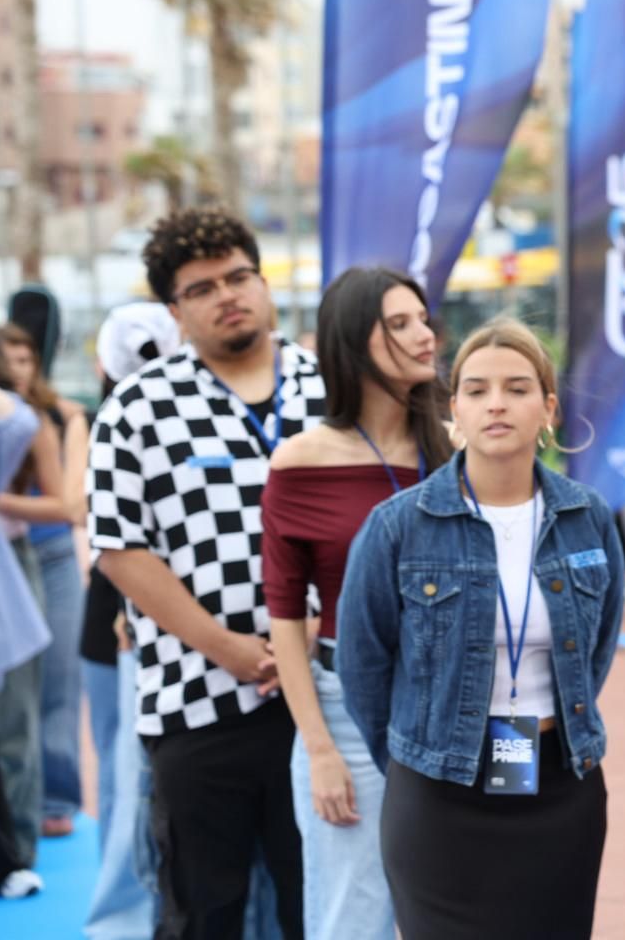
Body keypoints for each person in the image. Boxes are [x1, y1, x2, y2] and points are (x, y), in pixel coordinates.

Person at [337, 318, 624, 939]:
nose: (497, 403)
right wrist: (413, 757)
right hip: (438, 795)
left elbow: (598, 647)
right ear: (454, 410)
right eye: (477, 389)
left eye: (518, 388)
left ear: (547, 408)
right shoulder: (398, 527)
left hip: (561, 787)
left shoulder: (587, 518)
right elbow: (362, 663)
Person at [88, 207, 327, 937]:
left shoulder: (333, 390)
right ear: (173, 310)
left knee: (318, 906)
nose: (228, 294)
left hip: (327, 697)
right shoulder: (136, 409)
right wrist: (226, 646)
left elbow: (382, 527)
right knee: (202, 909)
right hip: (197, 703)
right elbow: (121, 547)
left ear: (263, 281)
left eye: (239, 276)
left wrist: (312, 634)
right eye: (202, 288)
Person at [261, 267, 452, 940]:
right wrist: (318, 748)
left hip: (460, 702)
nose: (424, 335)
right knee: (354, 919)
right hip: (349, 709)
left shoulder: (460, 450)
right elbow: (284, 619)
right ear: (350, 343)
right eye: (398, 324)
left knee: (467, 908)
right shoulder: (299, 461)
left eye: (423, 319)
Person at [82, 303, 180, 939]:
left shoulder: (113, 423)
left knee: (132, 779)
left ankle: (125, 917)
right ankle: (122, 918)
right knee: (129, 778)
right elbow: (122, 543)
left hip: (134, 623)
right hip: (123, 623)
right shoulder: (122, 427)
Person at [0, 322, 86, 839]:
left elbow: (69, 505)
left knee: (58, 679)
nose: (18, 371)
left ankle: (56, 798)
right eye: (8, 361)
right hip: (1, 553)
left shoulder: (56, 417)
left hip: (50, 554)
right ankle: (15, 802)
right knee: (12, 693)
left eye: (26, 359)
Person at [0, 326, 52, 900]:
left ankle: (10, 853)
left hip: (11, 573)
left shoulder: (14, 422)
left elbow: (16, 423)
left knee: (9, 729)